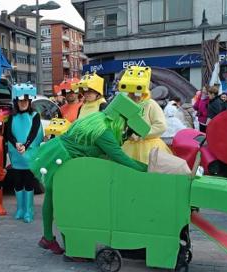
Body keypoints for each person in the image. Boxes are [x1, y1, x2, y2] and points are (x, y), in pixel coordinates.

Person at [32, 94, 149, 256]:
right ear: (120, 119)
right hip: (65, 160)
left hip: (59, 154)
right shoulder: (104, 132)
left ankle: (49, 238)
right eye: (126, 126)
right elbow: (119, 157)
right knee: (67, 201)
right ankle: (73, 247)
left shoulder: (98, 119)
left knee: (53, 197)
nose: (125, 130)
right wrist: (145, 169)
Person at [5, 83, 43, 223]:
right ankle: (20, 208)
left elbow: (34, 133)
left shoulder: (35, 116)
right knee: (18, 182)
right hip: (16, 155)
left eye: (25, 101)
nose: (23, 103)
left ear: (29, 101)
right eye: (20, 101)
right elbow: (8, 133)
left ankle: (29, 210)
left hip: (29, 153)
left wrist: (25, 146)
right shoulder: (11, 117)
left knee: (29, 182)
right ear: (16, 102)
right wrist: (16, 144)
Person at [121, 66, 171, 164]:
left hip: (149, 148)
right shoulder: (125, 105)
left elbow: (161, 126)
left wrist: (141, 135)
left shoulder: (150, 104)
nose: (134, 94)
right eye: (131, 91)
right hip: (128, 146)